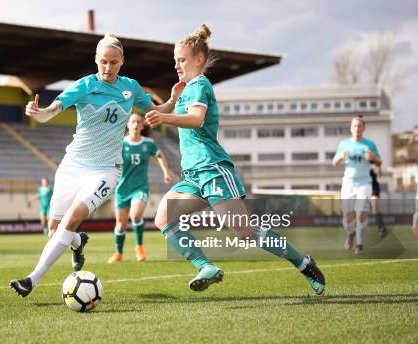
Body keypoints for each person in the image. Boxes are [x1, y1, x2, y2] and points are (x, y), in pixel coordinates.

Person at [145, 24, 325, 294]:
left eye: (181, 60)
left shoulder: (201, 85)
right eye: (175, 61)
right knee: (163, 219)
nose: (176, 65)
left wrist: (165, 116)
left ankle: (303, 263)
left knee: (244, 233)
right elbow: (163, 110)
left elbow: (196, 119)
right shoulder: (185, 88)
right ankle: (205, 266)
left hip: (213, 170)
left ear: (199, 60)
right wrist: (168, 102)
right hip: (193, 175)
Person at [10, 32, 185, 297]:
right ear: (96, 59)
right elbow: (53, 110)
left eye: (113, 62)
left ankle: (31, 280)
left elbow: (155, 112)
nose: (107, 67)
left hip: (106, 170)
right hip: (72, 166)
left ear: (122, 61)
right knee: (55, 231)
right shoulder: (84, 85)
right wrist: (39, 113)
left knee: (73, 217)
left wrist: (171, 100)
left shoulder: (131, 88)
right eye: (103, 61)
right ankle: (78, 242)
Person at [108, 114, 172, 263]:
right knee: (120, 223)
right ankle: (118, 253)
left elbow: (159, 155)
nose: (136, 124)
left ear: (142, 126)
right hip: (122, 188)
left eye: (138, 122)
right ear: (128, 125)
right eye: (133, 121)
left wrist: (166, 172)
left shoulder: (148, 143)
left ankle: (139, 247)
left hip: (140, 187)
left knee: (136, 215)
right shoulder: (120, 143)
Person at [332, 116, 382, 256]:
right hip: (348, 183)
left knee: (361, 214)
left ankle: (359, 244)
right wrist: (341, 157)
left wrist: (374, 159)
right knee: (348, 215)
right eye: (355, 126)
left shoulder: (369, 145)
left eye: (360, 126)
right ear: (350, 128)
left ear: (363, 128)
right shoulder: (344, 144)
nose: (357, 128)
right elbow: (334, 163)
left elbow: (379, 163)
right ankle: (350, 233)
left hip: (364, 183)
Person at [369, 164, 388, 238]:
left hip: (374, 188)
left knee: (375, 208)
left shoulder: (373, 162)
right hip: (362, 188)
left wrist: (379, 167)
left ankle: (382, 228)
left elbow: (379, 175)